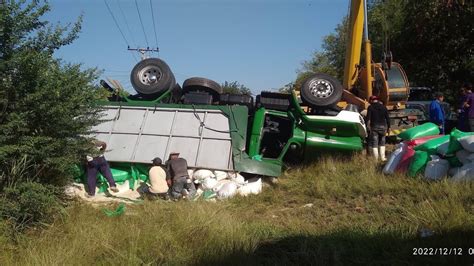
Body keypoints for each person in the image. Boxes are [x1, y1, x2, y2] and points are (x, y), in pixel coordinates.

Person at [366, 95, 390, 161]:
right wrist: (389, 127)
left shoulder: (370, 107)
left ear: (371, 100)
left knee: (374, 143)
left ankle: (376, 159)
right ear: (377, 100)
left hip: (374, 127)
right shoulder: (384, 107)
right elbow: (387, 118)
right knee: (382, 142)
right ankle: (383, 158)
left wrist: (367, 127)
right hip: (383, 127)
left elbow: (368, 118)